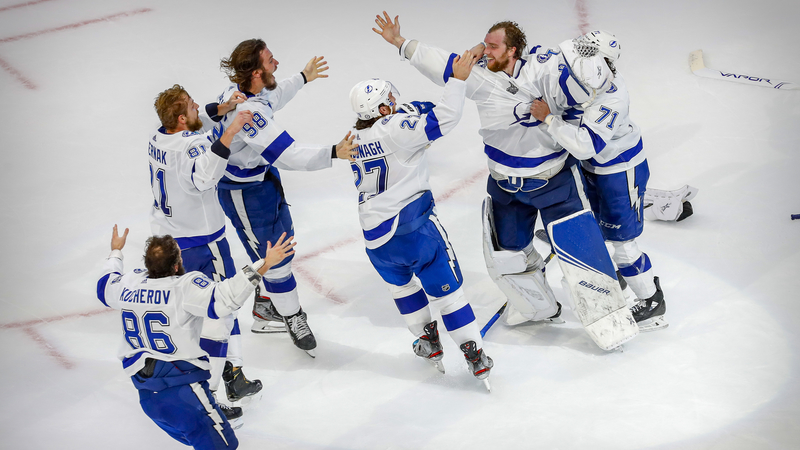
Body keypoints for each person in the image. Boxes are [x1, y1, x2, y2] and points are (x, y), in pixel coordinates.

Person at [373, 14, 638, 351]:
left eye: (493, 46)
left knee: (582, 255)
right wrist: (400, 42)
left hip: (553, 181)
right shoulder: (483, 78)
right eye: (484, 44)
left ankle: (609, 319)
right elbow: (444, 64)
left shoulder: (545, 69)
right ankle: (540, 308)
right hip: (504, 186)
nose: (485, 51)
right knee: (508, 258)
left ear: (513, 50)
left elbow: (587, 86)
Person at [347, 51, 494, 390]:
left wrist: (410, 111)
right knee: (449, 295)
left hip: (376, 239)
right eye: (390, 101)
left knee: (402, 287)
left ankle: (427, 340)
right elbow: (445, 118)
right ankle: (473, 352)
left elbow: (404, 121)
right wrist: (456, 80)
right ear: (382, 110)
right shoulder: (395, 128)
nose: (395, 103)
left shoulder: (353, 139)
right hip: (414, 227)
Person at [205, 39, 358, 357]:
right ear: (257, 73)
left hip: (260, 181)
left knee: (280, 247)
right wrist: (333, 152)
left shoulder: (241, 92)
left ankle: (265, 304)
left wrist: (302, 77)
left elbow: (272, 96)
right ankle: (291, 316)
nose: (277, 63)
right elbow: (287, 155)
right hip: (244, 194)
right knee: (275, 259)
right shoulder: (248, 112)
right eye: (271, 60)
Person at [96, 225, 295, 450]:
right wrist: (265, 263)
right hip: (184, 392)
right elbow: (226, 298)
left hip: (147, 395)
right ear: (176, 264)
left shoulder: (128, 284)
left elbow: (105, 286)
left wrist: (116, 252)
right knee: (225, 447)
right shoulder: (183, 286)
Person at [525, 31, 667, 331]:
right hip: (596, 169)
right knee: (596, 225)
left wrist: (549, 119)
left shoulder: (612, 98)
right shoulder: (588, 74)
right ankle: (613, 275)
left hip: (619, 171)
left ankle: (653, 302)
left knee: (623, 242)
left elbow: (586, 145)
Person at [149, 85, 263, 421]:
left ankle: (214, 377)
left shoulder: (158, 138)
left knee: (191, 314)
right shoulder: (192, 144)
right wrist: (230, 129)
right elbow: (206, 177)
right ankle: (228, 378)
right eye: (192, 105)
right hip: (202, 242)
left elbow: (193, 134)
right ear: (182, 118)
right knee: (222, 306)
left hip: (170, 239)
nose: (200, 105)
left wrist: (223, 107)